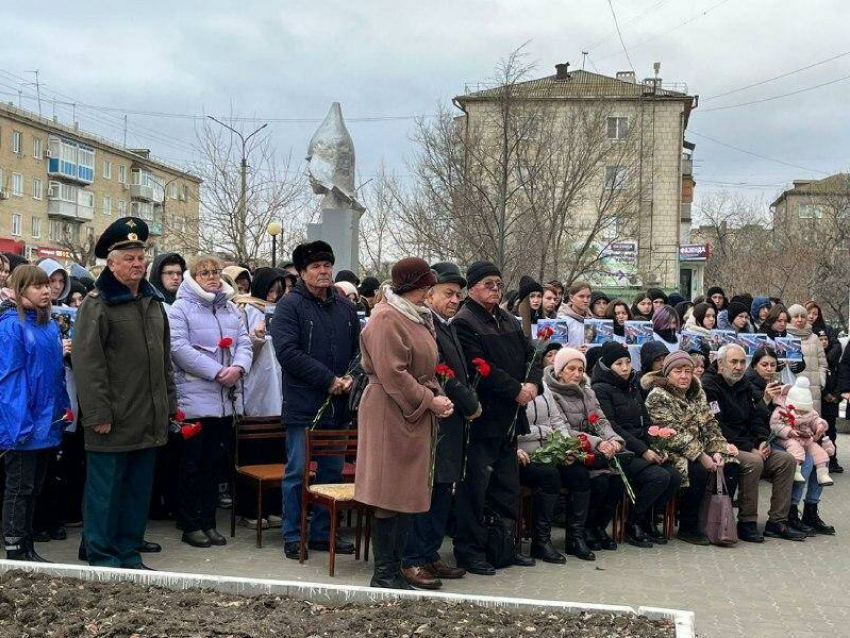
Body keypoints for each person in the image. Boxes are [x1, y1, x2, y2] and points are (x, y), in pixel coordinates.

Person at [73, 217, 176, 569]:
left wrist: (170, 406)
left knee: (136, 494)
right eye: (128, 257)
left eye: (140, 256)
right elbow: (89, 364)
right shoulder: (97, 303)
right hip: (113, 419)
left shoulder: (152, 301)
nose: (137, 263)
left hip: (148, 418)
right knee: (105, 493)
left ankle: (129, 552)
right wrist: (98, 414)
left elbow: (165, 362)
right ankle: (102, 556)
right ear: (111, 263)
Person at [355, 258, 447, 589]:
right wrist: (428, 399)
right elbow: (392, 372)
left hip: (412, 409)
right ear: (414, 287)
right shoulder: (386, 318)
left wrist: (436, 395)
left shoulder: (415, 316)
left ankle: (395, 569)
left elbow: (423, 366)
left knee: (407, 492)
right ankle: (384, 573)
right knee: (389, 491)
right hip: (389, 410)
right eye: (426, 287)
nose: (429, 293)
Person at [270, 241, 360, 560]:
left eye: (327, 265)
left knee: (332, 473)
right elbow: (288, 353)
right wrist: (328, 379)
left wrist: (350, 376)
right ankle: (294, 534)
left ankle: (324, 533)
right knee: (297, 472)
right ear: (303, 272)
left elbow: (358, 351)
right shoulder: (289, 306)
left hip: (338, 406)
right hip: (304, 406)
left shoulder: (345, 307)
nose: (323, 272)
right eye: (315, 267)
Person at [452, 260, 541, 575]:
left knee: (506, 487)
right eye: (488, 283)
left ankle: (503, 547)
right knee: (475, 489)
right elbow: (479, 367)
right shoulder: (464, 322)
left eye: (499, 284)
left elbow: (532, 354)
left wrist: (531, 383)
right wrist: (514, 388)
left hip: (511, 418)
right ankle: (471, 552)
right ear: (472, 287)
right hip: (483, 418)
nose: (495, 289)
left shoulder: (508, 319)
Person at [400, 262, 480, 588]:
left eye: (458, 295)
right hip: (433, 417)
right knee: (427, 491)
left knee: (444, 489)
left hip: (451, 422)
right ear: (429, 293)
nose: (455, 300)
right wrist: (468, 401)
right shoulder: (422, 325)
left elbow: (456, 371)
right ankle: (413, 558)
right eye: (449, 293)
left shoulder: (445, 325)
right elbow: (438, 370)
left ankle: (430, 553)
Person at [168, 255, 252, 548]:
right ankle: (190, 524)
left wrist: (239, 368)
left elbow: (244, 342)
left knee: (215, 466)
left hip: (224, 402)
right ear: (194, 277)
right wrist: (218, 372)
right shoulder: (181, 309)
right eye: (205, 273)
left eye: (216, 272)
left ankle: (208, 521)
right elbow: (178, 349)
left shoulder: (229, 308)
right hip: (195, 399)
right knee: (193, 466)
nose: (212, 277)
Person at [0, 265, 70, 561]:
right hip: (23, 425)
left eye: (46, 286)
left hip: (46, 422)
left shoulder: (49, 325)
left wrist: (61, 413)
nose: (45, 291)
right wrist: (19, 425)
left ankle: (27, 543)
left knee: (35, 488)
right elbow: (11, 380)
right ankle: (15, 545)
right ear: (19, 291)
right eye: (37, 286)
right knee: (19, 487)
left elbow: (55, 375)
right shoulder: (11, 326)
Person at [701, 344, 804, 541]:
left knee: (787, 461)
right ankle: (747, 521)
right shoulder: (709, 386)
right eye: (734, 362)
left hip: (749, 443)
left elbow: (756, 416)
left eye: (742, 362)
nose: (739, 367)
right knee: (753, 462)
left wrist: (762, 440)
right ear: (720, 364)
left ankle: (777, 522)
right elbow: (717, 425)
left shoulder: (744, 384)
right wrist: (750, 447)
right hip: (721, 445)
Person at [643, 351, 740, 545]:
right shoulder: (658, 396)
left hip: (700, 447)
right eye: (678, 371)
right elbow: (672, 433)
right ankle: (688, 526)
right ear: (668, 374)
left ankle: (716, 522)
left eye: (688, 371)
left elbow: (710, 423)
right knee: (699, 470)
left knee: (731, 464)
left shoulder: (697, 392)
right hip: (671, 449)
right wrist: (702, 455)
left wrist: (719, 450)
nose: (684, 376)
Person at [591, 342, 680, 548]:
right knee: (658, 477)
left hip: (641, 446)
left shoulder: (632, 385)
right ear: (607, 366)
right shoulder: (600, 389)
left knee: (674, 476)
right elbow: (612, 426)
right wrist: (643, 450)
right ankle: (632, 523)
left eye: (628, 362)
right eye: (618, 363)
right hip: (622, 450)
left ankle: (647, 520)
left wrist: (656, 446)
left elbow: (646, 421)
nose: (625, 368)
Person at [519, 348, 596, 563]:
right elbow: (511, 429)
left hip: (551, 449)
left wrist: (566, 447)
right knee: (549, 476)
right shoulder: (511, 388)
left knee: (579, 473)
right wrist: (540, 434)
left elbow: (557, 422)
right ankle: (541, 541)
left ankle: (575, 538)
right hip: (524, 454)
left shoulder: (543, 388)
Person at [545, 347, 625, 551]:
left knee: (617, 481)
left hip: (593, 450)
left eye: (580, 370)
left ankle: (597, 527)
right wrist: (598, 442)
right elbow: (562, 429)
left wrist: (612, 439)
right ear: (560, 370)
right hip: (568, 450)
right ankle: (578, 533)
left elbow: (601, 420)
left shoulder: (588, 393)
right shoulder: (551, 394)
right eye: (571, 368)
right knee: (596, 481)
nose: (576, 374)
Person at [770, 377, 834, 486]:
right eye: (800, 409)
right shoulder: (784, 411)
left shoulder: (810, 411)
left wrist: (820, 426)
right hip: (787, 438)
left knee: (819, 451)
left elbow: (815, 419)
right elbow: (776, 424)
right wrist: (789, 431)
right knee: (795, 448)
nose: (802, 412)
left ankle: (822, 474)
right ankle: (796, 470)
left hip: (805, 437)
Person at [817, 327, 844, 473]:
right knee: (819, 432)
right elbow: (816, 380)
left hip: (832, 403)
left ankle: (832, 460)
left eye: (825, 339)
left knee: (831, 432)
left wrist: (837, 395)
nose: (823, 342)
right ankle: (820, 461)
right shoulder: (816, 359)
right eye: (820, 339)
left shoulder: (834, 361)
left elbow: (841, 379)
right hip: (820, 401)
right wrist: (825, 393)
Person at [556, 282, 592, 349]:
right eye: (581, 296)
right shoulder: (561, 320)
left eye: (588, 297)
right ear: (571, 298)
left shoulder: (592, 322)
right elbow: (557, 347)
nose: (586, 300)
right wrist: (575, 350)